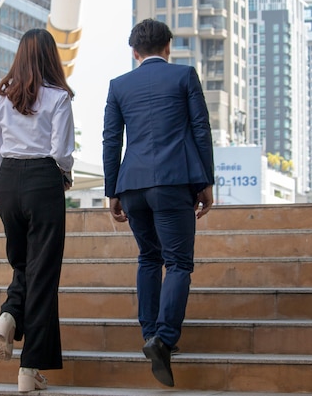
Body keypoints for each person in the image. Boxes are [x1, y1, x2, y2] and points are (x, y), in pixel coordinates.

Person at [102, 19, 214, 387]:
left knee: (149, 257)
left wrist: (112, 190)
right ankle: (164, 339)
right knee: (178, 262)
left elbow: (111, 141)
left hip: (132, 184)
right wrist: (206, 181)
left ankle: (149, 333)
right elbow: (200, 128)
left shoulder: (119, 86)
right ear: (168, 47)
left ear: (134, 52)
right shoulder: (184, 76)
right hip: (172, 181)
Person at [0, 28, 74, 393]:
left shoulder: (0, 97)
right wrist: (63, 177)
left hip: (7, 180)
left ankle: (10, 315)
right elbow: (62, 152)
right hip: (43, 177)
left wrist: (7, 181)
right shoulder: (58, 97)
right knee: (43, 274)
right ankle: (29, 368)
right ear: (50, 57)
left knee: (22, 263)